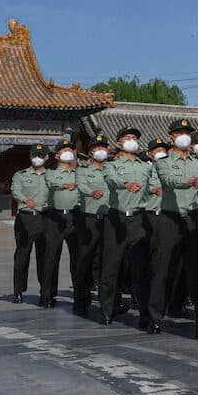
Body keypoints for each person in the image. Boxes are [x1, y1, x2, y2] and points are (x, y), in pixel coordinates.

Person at [151, 119, 198, 341]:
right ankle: (155, 317)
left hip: (195, 220)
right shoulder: (163, 162)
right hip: (171, 219)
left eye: (187, 133)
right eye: (179, 133)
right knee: (163, 270)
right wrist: (189, 181)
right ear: (171, 137)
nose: (184, 137)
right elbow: (169, 180)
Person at [102, 127, 157, 329]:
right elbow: (110, 179)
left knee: (141, 270)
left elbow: (153, 185)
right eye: (128, 138)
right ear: (119, 143)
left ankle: (145, 315)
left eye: (135, 138)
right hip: (116, 219)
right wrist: (125, 184)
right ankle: (107, 310)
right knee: (111, 268)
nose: (132, 141)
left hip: (139, 220)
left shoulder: (145, 167)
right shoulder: (112, 165)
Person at [72, 134, 112, 316]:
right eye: (97, 148)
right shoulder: (83, 171)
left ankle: (109, 303)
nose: (101, 151)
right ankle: (81, 300)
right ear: (90, 153)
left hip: (110, 220)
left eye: (103, 147)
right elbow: (80, 185)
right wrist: (90, 192)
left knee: (108, 262)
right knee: (85, 261)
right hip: (89, 219)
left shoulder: (113, 170)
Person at [41, 140, 80, 308]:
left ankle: (80, 297)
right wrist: (64, 185)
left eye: (71, 150)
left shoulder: (80, 174)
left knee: (78, 260)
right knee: (50, 258)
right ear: (57, 155)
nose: (68, 153)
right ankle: (47, 296)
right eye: (64, 150)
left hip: (75, 218)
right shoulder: (50, 173)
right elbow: (49, 184)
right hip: (54, 218)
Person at [11, 143, 51, 304]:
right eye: (34, 155)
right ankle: (18, 291)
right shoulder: (20, 175)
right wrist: (25, 199)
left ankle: (45, 293)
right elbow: (15, 190)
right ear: (30, 156)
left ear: (47, 157)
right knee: (22, 256)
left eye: (40, 155)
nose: (37, 158)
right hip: (25, 218)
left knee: (44, 258)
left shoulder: (52, 176)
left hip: (45, 219)